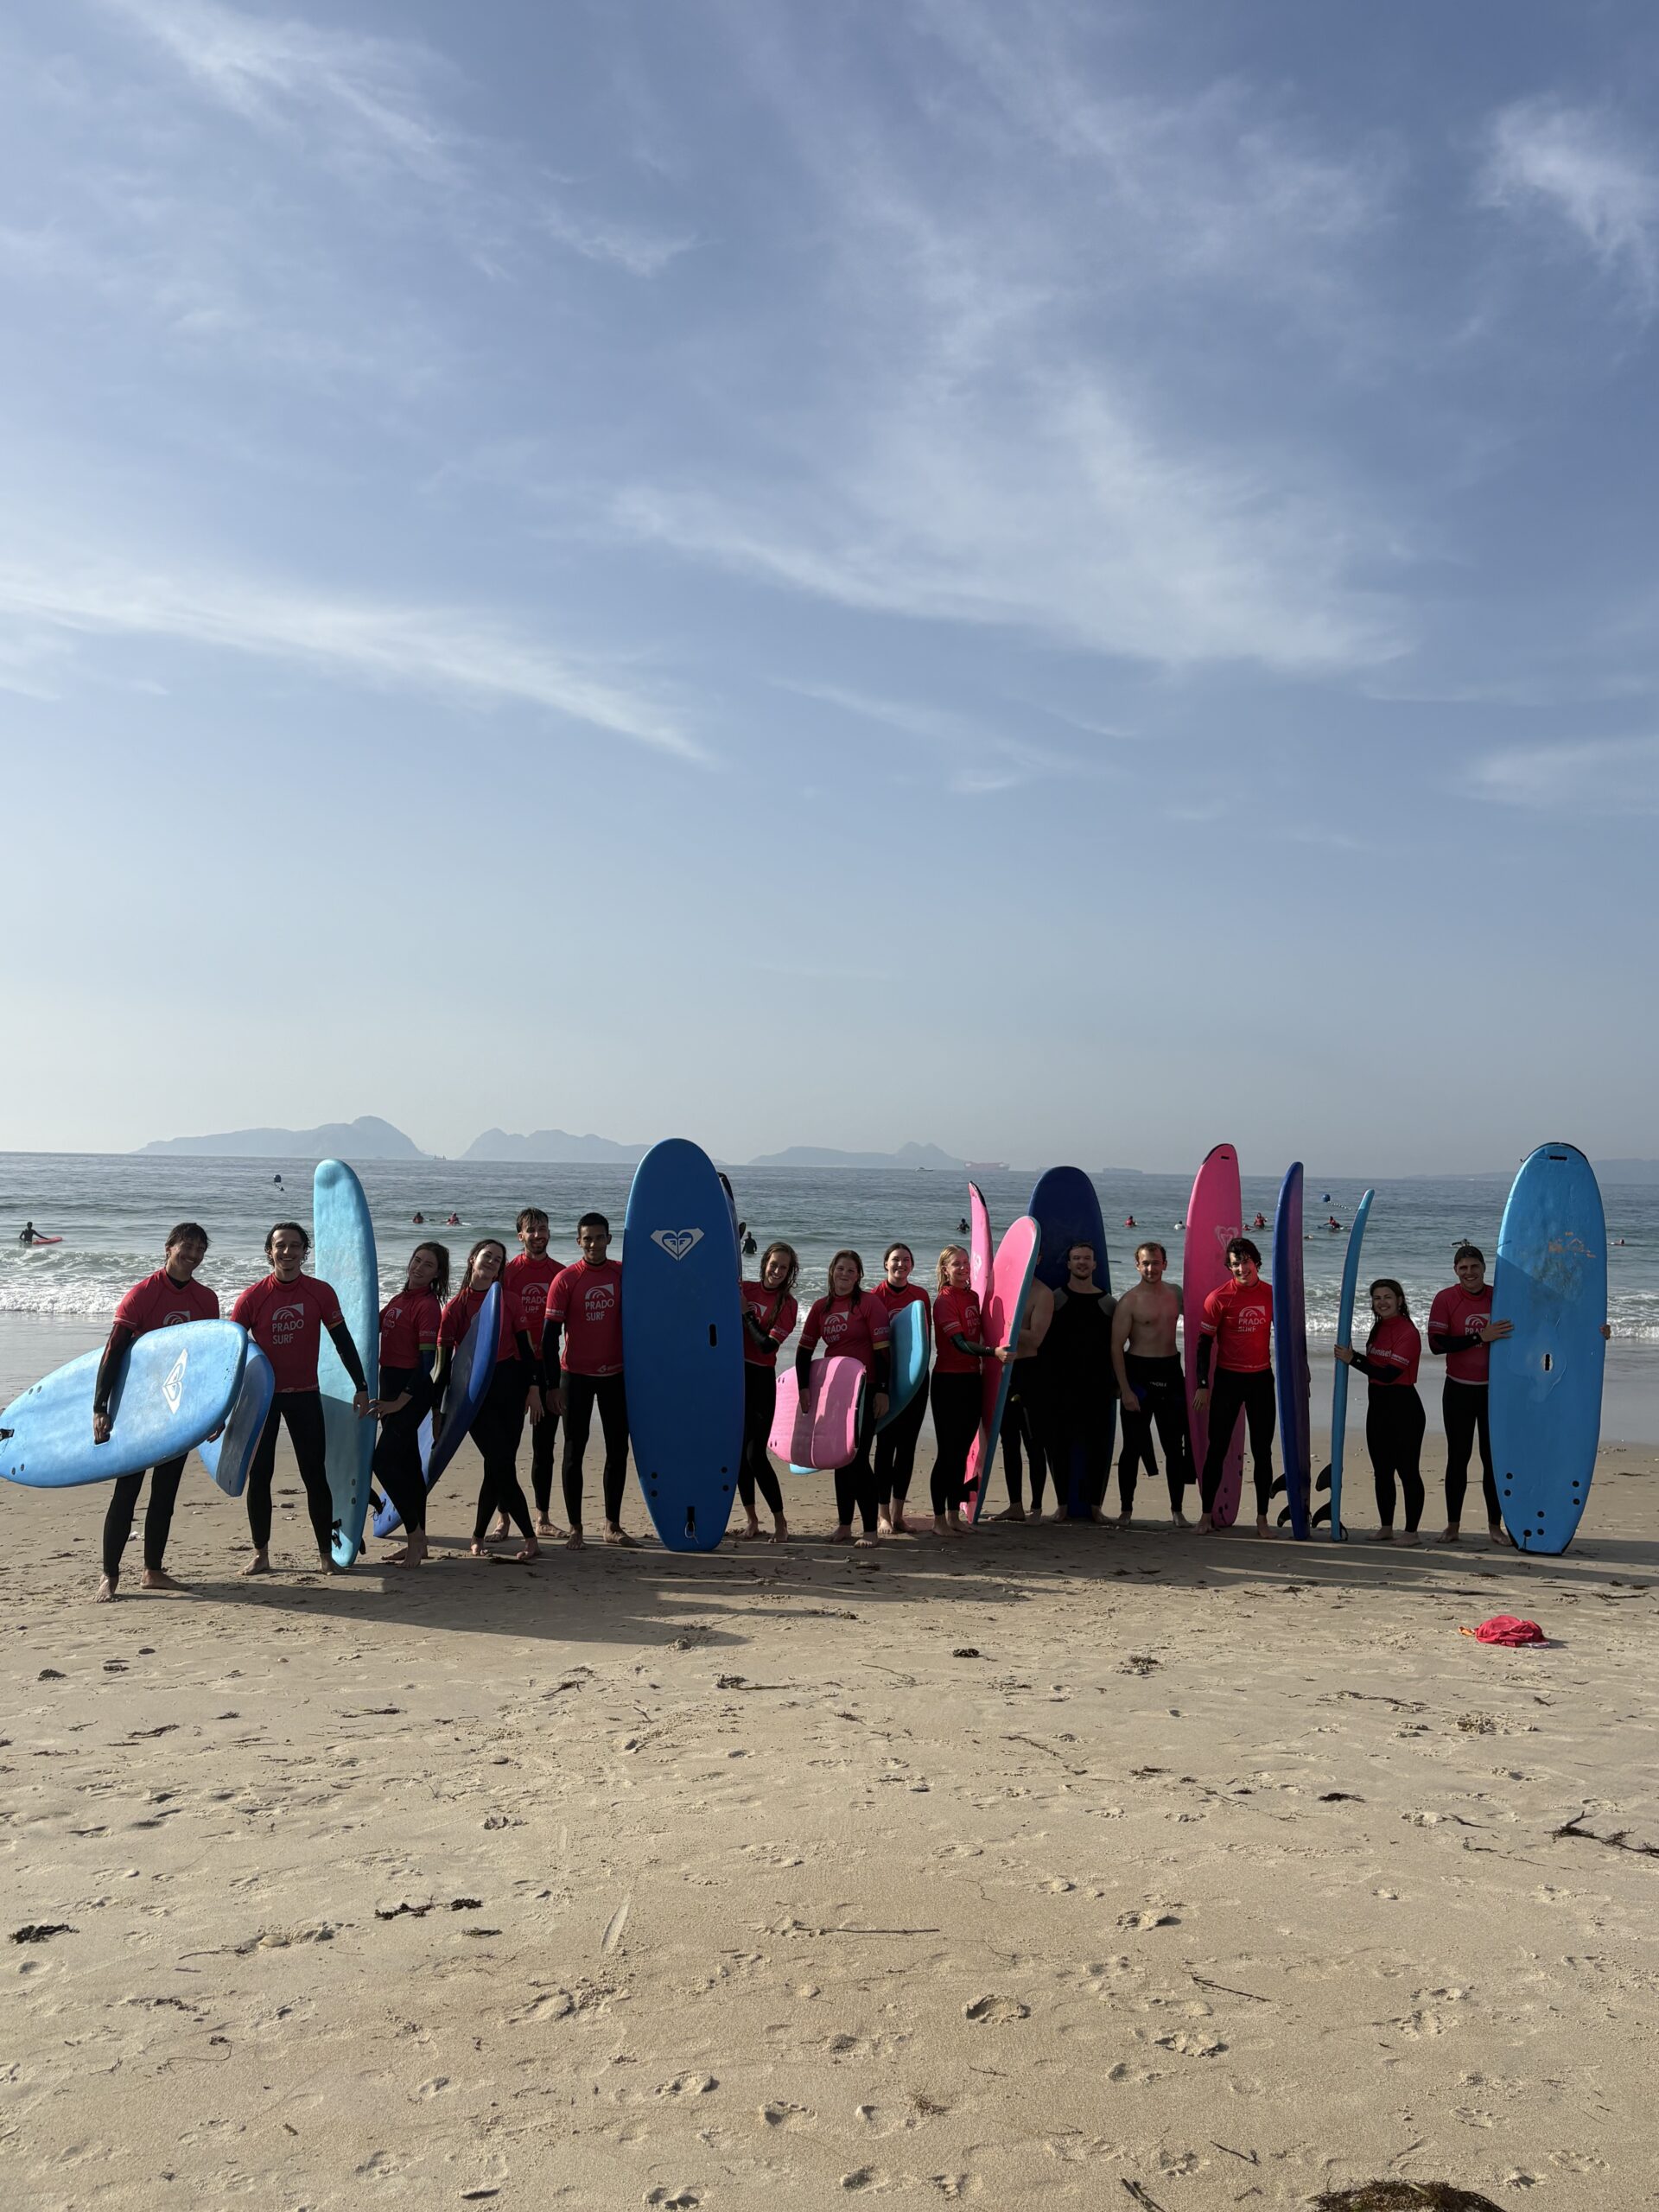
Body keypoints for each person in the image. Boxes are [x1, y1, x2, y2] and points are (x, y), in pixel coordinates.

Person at [232, 1224, 371, 1574]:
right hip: (263, 1399)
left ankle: (325, 1555)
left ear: (305, 1252)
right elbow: (231, 1353)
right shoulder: (252, 1298)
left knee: (314, 1475)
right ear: (270, 1251)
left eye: (295, 1245)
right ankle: (261, 1553)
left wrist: (361, 1385)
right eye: (281, 1245)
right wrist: (223, 1405)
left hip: (305, 1395)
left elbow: (343, 1341)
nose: (288, 1251)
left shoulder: (319, 1293)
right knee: (260, 1475)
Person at [93, 1222, 219, 1602]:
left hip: (177, 1409)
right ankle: (109, 1576)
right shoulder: (142, 1294)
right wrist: (100, 1407)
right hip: (138, 1408)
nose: (193, 1255)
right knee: (127, 1491)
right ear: (169, 1248)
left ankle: (153, 1571)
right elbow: (113, 1352)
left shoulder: (206, 1299)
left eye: (200, 1249)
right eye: (187, 1247)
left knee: (165, 1492)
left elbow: (207, 1361)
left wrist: (214, 1413)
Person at [435, 1238, 539, 1561]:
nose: (492, 1262)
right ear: (472, 1259)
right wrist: (439, 1411)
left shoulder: (510, 1300)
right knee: (500, 1462)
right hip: (473, 1393)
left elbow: (526, 1350)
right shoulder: (455, 1308)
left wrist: (534, 1388)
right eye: (487, 1256)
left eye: (498, 1259)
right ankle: (529, 1538)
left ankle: (479, 1535)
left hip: (510, 1386)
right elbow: (442, 1368)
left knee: (497, 1464)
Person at [545, 1213, 630, 1548]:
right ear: (579, 1241)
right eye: (587, 1238)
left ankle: (612, 1525)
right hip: (575, 1376)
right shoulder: (566, 1280)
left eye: (599, 1237)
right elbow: (549, 1338)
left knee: (618, 1450)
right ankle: (576, 1527)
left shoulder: (623, 1274)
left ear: (609, 1239)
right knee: (573, 1450)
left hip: (616, 1375)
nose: (593, 1244)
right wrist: (552, 1385)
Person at [797, 1249, 891, 1545]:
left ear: (859, 1275)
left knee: (858, 1458)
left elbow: (883, 1353)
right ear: (832, 1271)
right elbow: (804, 1352)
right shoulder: (820, 1308)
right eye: (840, 1269)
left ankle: (870, 1531)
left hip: (865, 1389)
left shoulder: (869, 1304)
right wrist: (803, 1388)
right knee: (840, 1459)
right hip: (835, 1392)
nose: (845, 1274)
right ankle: (844, 1526)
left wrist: (882, 1390)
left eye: (851, 1270)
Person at [368, 1242, 448, 1567]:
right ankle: (421, 1540)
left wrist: (399, 1402)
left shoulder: (428, 1306)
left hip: (410, 1392)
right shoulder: (399, 1299)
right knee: (411, 1466)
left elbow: (427, 1362)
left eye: (428, 1265)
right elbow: (372, 1327)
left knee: (384, 1462)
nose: (419, 1267)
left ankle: (414, 1536)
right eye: (417, 1260)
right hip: (391, 1386)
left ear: (437, 1274)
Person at [1428, 1244, 1512, 1545]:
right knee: (1458, 1458)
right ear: (1455, 1270)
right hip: (1458, 1390)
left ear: (1484, 1268)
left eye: (1474, 1266)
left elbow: (1533, 1325)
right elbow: (1437, 1344)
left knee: (1493, 1460)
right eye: (1463, 1268)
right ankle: (1453, 1526)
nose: (1469, 1272)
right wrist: (1480, 1336)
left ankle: (1494, 1526)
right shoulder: (1445, 1299)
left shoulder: (1500, 1296)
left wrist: (1595, 1330)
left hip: (1495, 1392)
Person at [1194, 1236, 1274, 1537]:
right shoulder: (1218, 1298)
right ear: (1229, 1267)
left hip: (1261, 1380)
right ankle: (1206, 1515)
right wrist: (1203, 1384)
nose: (1242, 1268)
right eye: (1235, 1264)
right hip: (1228, 1380)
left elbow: (1289, 1334)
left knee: (1262, 1451)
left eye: (1246, 1261)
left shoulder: (1271, 1294)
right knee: (1217, 1449)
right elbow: (1204, 1344)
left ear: (1256, 1262)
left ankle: (1262, 1519)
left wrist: (1299, 1371)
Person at [1336, 1279, 1425, 1544]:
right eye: (1377, 1298)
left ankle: (1411, 1532)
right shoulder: (1378, 1328)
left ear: (1400, 1300)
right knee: (1382, 1471)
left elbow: (1388, 1374)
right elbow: (1374, 1365)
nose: (1382, 1302)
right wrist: (1353, 1355)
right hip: (1378, 1408)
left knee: (1407, 1471)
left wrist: (1353, 1359)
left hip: (1404, 1408)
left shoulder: (1408, 1332)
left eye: (1388, 1297)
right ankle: (1386, 1527)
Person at [1110, 1241, 1192, 1526]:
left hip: (1171, 1373)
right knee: (1132, 1447)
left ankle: (1177, 1510)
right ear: (1137, 1266)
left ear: (1164, 1264)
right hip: (1139, 1376)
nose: (1151, 1268)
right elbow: (1116, 1347)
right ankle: (1126, 1510)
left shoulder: (1176, 1294)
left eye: (1156, 1263)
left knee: (1174, 1447)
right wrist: (1125, 1390)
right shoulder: (1129, 1301)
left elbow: (1201, 1320)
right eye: (1145, 1263)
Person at [1039, 1242, 1117, 1522]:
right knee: (1059, 1446)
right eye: (1076, 1258)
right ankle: (1062, 1506)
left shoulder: (1108, 1303)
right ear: (1069, 1264)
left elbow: (1118, 1347)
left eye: (1087, 1258)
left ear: (1095, 1264)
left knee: (1097, 1447)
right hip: (1061, 1386)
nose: (1082, 1262)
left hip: (1098, 1387)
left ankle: (1095, 1507)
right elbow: (1042, 1344)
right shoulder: (1056, 1299)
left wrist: (1119, 1383)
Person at [928, 1245, 1001, 1537]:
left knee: (961, 1453)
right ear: (945, 1269)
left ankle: (953, 1516)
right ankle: (938, 1520)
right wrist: (993, 1352)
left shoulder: (972, 1297)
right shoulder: (944, 1301)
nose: (963, 1268)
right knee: (947, 1453)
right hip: (948, 1383)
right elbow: (959, 1343)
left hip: (972, 1380)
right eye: (956, 1264)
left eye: (965, 1262)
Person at [502, 1207, 562, 1535]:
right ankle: (503, 1518)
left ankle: (543, 1518)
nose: (538, 1235)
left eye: (543, 1229)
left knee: (544, 1448)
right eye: (532, 1230)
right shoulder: (507, 1274)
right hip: (512, 1368)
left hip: (549, 1367)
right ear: (520, 1236)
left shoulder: (561, 1274)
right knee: (504, 1449)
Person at [737, 1242, 798, 1541]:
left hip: (761, 1379)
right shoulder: (745, 1289)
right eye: (774, 1264)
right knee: (739, 1455)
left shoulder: (787, 1305)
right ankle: (752, 1520)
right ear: (764, 1263)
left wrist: (746, 1315)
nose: (777, 1271)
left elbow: (765, 1346)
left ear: (789, 1272)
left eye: (783, 1267)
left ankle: (780, 1521)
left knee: (755, 1455)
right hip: (735, 1377)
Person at [870, 1243, 931, 1534]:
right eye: (895, 1259)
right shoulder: (874, 1297)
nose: (901, 1264)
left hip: (915, 1378)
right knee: (885, 1445)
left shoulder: (920, 1297)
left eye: (906, 1260)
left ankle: (898, 1514)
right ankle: (882, 1514)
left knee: (907, 1447)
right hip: (887, 1380)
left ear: (912, 1265)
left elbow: (923, 1342)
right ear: (886, 1263)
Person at [992, 1266, 1054, 1522]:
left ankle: (1036, 1508)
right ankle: (1015, 1506)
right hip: (1005, 1373)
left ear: (1039, 1258)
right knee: (1008, 1442)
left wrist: (1009, 1326)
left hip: (1030, 1373)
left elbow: (1036, 1338)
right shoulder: (1003, 1288)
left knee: (1033, 1442)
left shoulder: (1042, 1293)